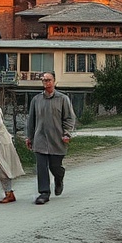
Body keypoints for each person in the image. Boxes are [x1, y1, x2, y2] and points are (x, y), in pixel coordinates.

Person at [24, 71, 76, 205]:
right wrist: (29, 137)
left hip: (57, 139)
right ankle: (44, 192)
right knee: (41, 166)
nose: (46, 82)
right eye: (43, 80)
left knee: (55, 166)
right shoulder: (36, 100)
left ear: (54, 81)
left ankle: (59, 178)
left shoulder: (62, 99)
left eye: (48, 80)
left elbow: (69, 118)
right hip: (40, 138)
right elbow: (31, 120)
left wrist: (67, 133)